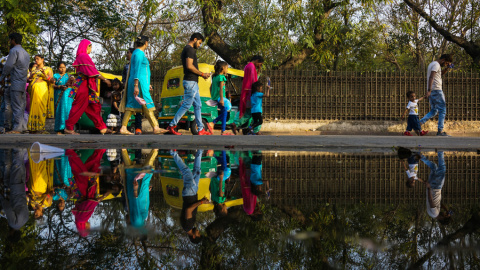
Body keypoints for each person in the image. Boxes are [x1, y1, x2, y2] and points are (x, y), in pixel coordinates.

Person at [119, 36, 165, 135]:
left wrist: (147, 84)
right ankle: (156, 127)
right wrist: (136, 85)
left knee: (131, 105)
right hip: (139, 83)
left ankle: (123, 127)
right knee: (147, 103)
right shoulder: (139, 53)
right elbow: (138, 70)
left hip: (138, 82)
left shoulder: (135, 52)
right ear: (146, 43)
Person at [64, 39, 112, 135]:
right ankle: (69, 128)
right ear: (87, 47)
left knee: (93, 107)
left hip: (88, 86)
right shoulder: (83, 56)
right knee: (78, 106)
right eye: (91, 47)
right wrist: (104, 79)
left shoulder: (82, 56)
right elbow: (92, 71)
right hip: (83, 85)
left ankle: (102, 127)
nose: (91, 50)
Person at [167, 33, 212, 135]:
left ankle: (201, 129)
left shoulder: (188, 49)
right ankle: (172, 125)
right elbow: (189, 66)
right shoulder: (190, 49)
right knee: (187, 104)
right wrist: (202, 74)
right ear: (195, 39)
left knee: (198, 105)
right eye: (199, 43)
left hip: (193, 82)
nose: (199, 45)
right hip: (190, 81)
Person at [67, 149, 115, 237]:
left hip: (85, 189)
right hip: (82, 190)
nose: (90, 226)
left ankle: (70, 151)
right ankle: (100, 150)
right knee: (91, 167)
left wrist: (103, 196)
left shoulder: (83, 218)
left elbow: (90, 204)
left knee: (80, 169)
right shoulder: (79, 217)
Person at [171, 149, 208, 243]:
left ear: (194, 237)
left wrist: (202, 202)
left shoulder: (188, 226)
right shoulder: (188, 226)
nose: (199, 231)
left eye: (198, 234)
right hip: (193, 192)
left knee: (186, 171)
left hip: (189, 193)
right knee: (197, 171)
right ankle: (199, 150)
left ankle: (173, 153)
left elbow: (188, 210)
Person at [0, 33, 30, 134]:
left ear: (13, 40)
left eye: (10, 40)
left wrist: (2, 77)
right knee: (21, 106)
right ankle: (23, 127)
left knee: (16, 106)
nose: (10, 42)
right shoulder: (26, 53)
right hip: (22, 82)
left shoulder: (14, 51)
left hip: (15, 82)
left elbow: (8, 66)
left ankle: (17, 129)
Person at [420, 54, 453, 136]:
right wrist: (429, 90)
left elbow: (438, 75)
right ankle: (440, 131)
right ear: (443, 60)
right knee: (442, 110)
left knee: (434, 111)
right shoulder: (436, 65)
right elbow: (431, 77)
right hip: (436, 90)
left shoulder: (433, 64)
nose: (445, 65)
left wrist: (446, 69)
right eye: (446, 63)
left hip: (433, 91)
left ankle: (419, 123)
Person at [0, 149, 29, 232]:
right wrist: (2, 198)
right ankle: (19, 149)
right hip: (15, 190)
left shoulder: (26, 219)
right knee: (16, 166)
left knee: (19, 168)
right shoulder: (13, 223)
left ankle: (18, 150)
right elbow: (8, 208)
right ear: (12, 234)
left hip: (21, 189)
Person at [420, 151, 452, 225]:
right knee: (434, 167)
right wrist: (446, 210)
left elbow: (431, 200)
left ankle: (440, 152)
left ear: (442, 218)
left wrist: (428, 188)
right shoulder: (434, 214)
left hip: (435, 187)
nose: (444, 214)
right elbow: (439, 203)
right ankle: (420, 157)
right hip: (433, 186)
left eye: (445, 215)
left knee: (442, 169)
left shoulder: (435, 213)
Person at [237, 55, 265, 135]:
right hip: (252, 94)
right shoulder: (252, 67)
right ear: (256, 60)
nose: (259, 66)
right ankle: (254, 130)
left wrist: (258, 70)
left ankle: (249, 128)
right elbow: (254, 82)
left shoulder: (247, 66)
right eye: (260, 64)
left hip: (249, 93)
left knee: (250, 113)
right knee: (252, 113)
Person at [27, 55, 55, 134]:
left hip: (42, 90)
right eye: (35, 59)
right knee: (33, 108)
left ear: (42, 59)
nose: (36, 60)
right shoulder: (33, 69)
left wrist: (45, 75)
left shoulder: (48, 69)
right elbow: (28, 80)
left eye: (38, 59)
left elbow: (53, 81)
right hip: (33, 90)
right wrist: (30, 77)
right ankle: (32, 128)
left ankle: (41, 128)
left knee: (41, 108)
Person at [28, 149, 54, 219]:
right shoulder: (47, 204)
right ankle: (42, 149)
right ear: (41, 214)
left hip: (33, 182)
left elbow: (27, 195)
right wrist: (45, 197)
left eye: (34, 214)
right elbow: (51, 193)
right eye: (37, 214)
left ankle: (34, 148)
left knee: (33, 162)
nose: (35, 213)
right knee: (42, 165)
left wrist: (30, 198)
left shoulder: (32, 204)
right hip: (42, 185)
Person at [122, 48, 143, 135]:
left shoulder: (138, 64)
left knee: (139, 108)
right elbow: (123, 78)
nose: (127, 54)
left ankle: (138, 128)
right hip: (129, 89)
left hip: (137, 88)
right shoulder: (126, 66)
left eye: (128, 53)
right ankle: (124, 127)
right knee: (126, 107)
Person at [210, 61, 234, 135]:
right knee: (225, 111)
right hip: (220, 98)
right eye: (227, 68)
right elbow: (221, 89)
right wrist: (222, 99)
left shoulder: (214, 77)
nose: (227, 70)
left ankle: (213, 123)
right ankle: (222, 130)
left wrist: (213, 95)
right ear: (223, 68)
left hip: (215, 97)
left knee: (224, 112)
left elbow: (211, 87)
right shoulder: (221, 77)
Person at [53, 61, 74, 134]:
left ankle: (67, 128)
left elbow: (74, 85)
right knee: (60, 110)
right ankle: (59, 129)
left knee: (68, 111)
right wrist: (59, 86)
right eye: (61, 67)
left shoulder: (69, 76)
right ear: (58, 68)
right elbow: (53, 85)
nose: (62, 69)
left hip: (68, 97)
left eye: (64, 67)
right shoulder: (55, 76)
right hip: (59, 95)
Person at [209, 151, 231, 217]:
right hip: (214, 179)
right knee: (221, 165)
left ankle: (223, 150)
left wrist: (221, 178)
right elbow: (210, 189)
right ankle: (214, 155)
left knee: (224, 164)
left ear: (222, 210)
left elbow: (220, 190)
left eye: (225, 209)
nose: (226, 208)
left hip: (219, 179)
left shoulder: (220, 200)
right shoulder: (213, 200)